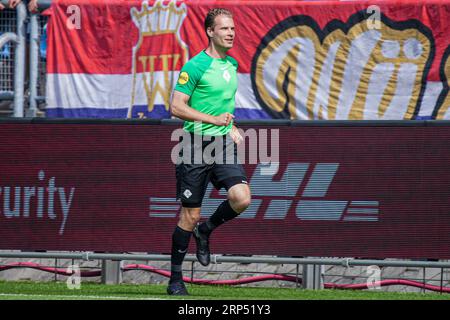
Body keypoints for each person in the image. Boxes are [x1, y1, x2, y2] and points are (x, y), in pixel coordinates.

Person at [167, 8, 251, 295]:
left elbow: (223, 107)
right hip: (194, 146)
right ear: (210, 32)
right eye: (225, 29)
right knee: (189, 217)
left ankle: (207, 230)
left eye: (233, 29)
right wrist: (212, 120)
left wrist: (231, 125)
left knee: (241, 198)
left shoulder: (232, 65)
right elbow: (176, 107)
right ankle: (175, 279)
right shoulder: (194, 66)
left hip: (223, 144)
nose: (230, 33)